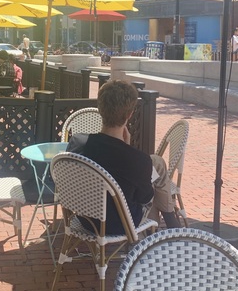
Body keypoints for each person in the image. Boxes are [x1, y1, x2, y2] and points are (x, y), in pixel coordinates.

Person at [67, 80, 181, 234]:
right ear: (130, 114)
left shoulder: (78, 143)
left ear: (100, 109)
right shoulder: (138, 160)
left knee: (155, 166)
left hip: (86, 220)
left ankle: (164, 230)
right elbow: (145, 198)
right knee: (154, 180)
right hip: (122, 224)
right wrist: (127, 148)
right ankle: (154, 237)